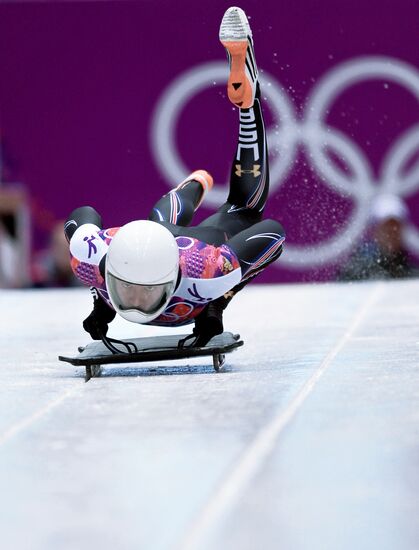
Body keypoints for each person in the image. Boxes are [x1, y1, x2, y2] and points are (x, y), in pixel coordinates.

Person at [65, 6, 285, 346]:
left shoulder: (209, 269)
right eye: (126, 290)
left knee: (244, 209)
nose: (137, 304)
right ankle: (195, 184)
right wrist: (102, 302)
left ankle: (247, 105)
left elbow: (275, 235)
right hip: (153, 237)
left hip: (193, 245)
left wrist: (218, 299)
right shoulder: (91, 257)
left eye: (145, 292)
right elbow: (82, 220)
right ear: (107, 271)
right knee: (170, 220)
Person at [337, 194, 418, 281]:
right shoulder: (356, 270)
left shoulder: (412, 274)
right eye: (386, 227)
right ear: (374, 230)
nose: (392, 232)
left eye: (396, 226)